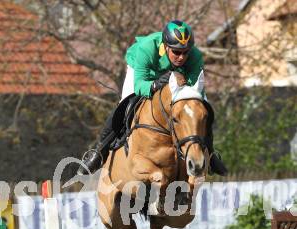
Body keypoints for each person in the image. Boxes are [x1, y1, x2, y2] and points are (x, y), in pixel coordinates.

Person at [77, 20, 228, 176]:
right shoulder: (147, 49)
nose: (181, 57)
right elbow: (139, 85)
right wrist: (156, 84)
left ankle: (210, 152)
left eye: (185, 52)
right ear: (166, 46)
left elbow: (192, 87)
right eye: (176, 52)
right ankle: (98, 152)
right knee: (125, 104)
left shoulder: (195, 56)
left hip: (175, 77)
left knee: (202, 107)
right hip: (144, 74)